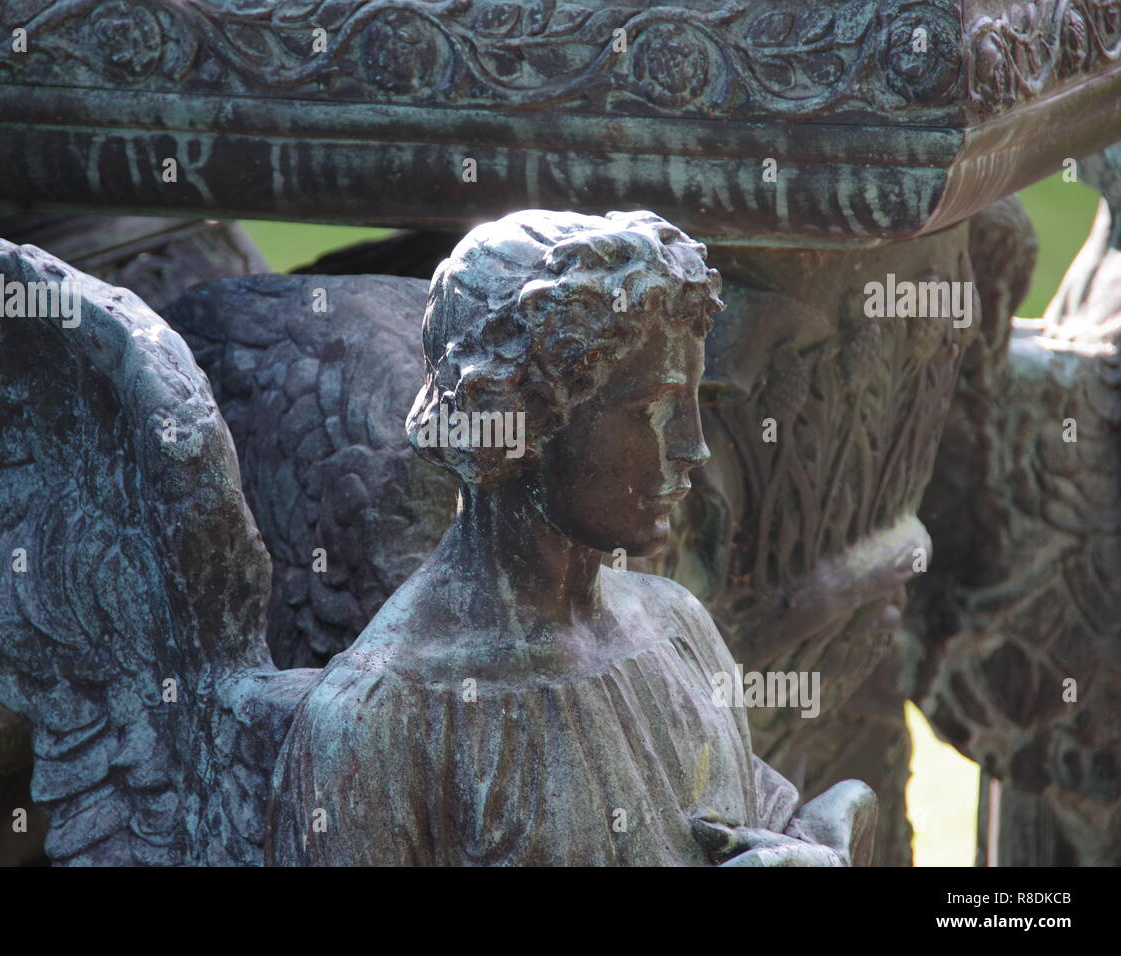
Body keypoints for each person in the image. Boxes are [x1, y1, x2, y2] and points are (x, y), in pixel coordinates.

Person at [267, 209, 875, 865]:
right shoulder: (384, 720)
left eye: (695, 400)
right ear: (522, 416)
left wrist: (823, 837)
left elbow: (757, 825)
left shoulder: (675, 626)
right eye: (653, 408)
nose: (692, 446)